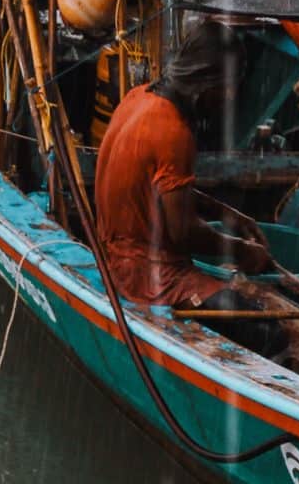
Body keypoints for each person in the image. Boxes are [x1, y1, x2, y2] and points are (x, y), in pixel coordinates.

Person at [94, 17, 267, 309]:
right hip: (143, 274)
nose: (229, 97)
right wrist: (241, 252)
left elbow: (160, 191)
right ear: (208, 82)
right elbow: (184, 232)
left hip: (111, 253)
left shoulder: (138, 97)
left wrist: (228, 215)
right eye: (228, 87)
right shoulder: (174, 132)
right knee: (255, 322)